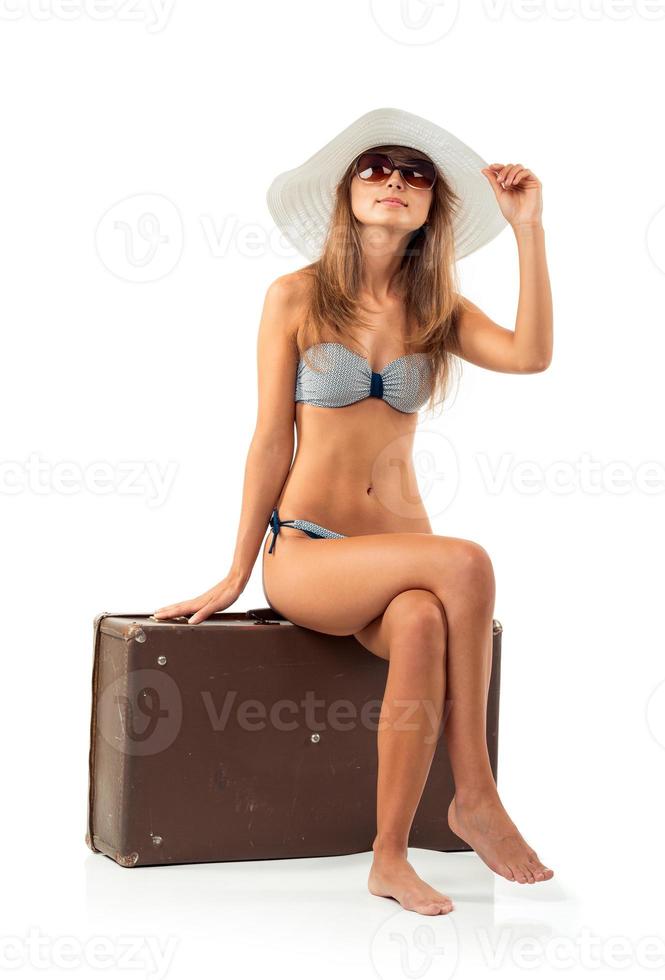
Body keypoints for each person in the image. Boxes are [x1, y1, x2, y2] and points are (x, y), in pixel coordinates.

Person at [154, 108, 554, 915]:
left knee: (419, 623)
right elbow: (270, 439)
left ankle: (389, 856)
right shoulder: (296, 296)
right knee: (466, 562)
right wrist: (237, 570)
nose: (395, 181)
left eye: (414, 174)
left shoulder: (435, 308)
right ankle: (474, 792)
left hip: (400, 551)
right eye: (377, 167)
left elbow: (531, 355)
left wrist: (527, 231)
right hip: (309, 554)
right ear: (345, 193)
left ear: (431, 207)